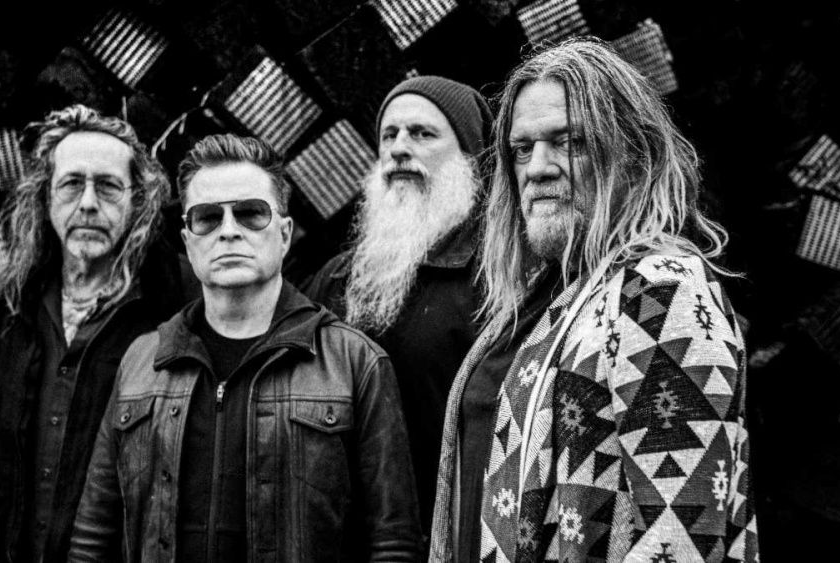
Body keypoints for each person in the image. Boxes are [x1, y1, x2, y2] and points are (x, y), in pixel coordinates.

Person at [429, 38, 758, 562]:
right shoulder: (544, 298)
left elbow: (684, 535)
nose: (538, 168)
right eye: (522, 148)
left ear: (633, 154)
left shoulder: (661, 287)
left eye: (571, 142)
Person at [70, 134, 421, 562]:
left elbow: (393, 542)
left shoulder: (354, 363)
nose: (229, 231)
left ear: (285, 234)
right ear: (188, 241)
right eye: (207, 217)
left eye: (251, 213)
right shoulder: (143, 361)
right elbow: (94, 535)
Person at [0, 105, 193, 562]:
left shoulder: (173, 312)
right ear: (46, 198)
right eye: (71, 184)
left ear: (137, 202)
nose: (88, 203)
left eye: (108, 186)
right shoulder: (6, 308)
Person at [305, 75, 493, 538]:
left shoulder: (499, 276)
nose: (399, 149)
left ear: (470, 157)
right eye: (389, 135)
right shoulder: (335, 278)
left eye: (422, 134)